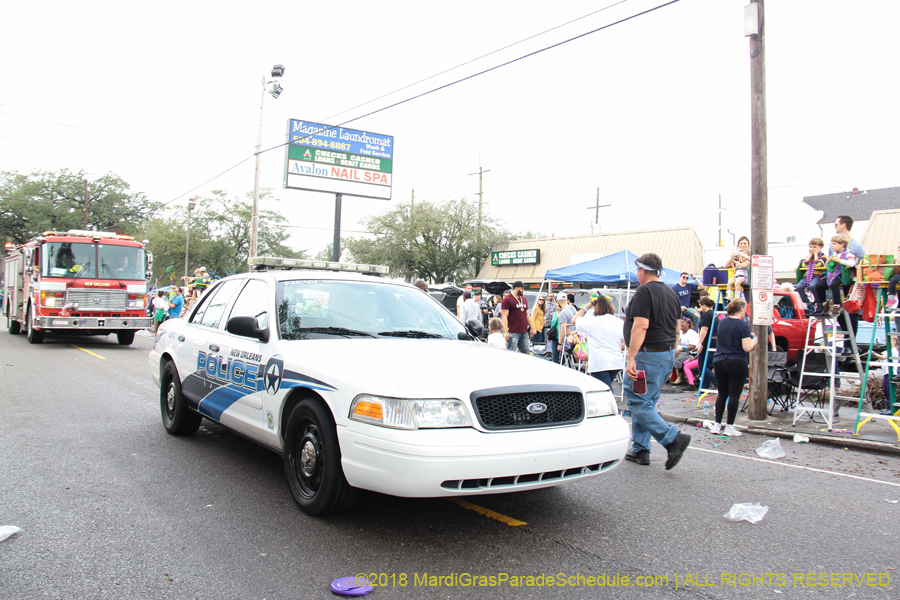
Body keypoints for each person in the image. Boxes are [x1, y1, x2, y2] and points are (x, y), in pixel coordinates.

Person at [623, 253, 691, 470]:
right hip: (666, 352)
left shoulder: (644, 291)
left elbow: (641, 326)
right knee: (647, 401)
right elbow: (677, 327)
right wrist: (672, 351)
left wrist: (631, 357)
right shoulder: (671, 292)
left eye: (637, 271)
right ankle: (641, 449)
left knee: (636, 400)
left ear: (642, 270)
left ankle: (672, 439)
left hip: (647, 354)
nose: (637, 274)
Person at [710, 298, 757, 436]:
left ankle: (717, 425)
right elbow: (746, 347)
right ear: (741, 309)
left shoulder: (722, 322)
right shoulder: (743, 325)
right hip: (736, 361)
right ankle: (730, 426)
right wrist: (754, 341)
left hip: (719, 360)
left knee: (722, 394)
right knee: (734, 395)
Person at [571, 295, 625, 387]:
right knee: (606, 386)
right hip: (616, 361)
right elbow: (624, 342)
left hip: (599, 361)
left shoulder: (591, 321)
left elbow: (574, 321)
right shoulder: (619, 321)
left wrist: (587, 306)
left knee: (604, 388)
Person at [683, 297, 718, 392]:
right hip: (714, 342)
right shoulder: (715, 314)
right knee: (707, 366)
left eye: (700, 306)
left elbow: (704, 329)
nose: (700, 308)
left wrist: (700, 343)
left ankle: (718, 384)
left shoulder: (706, 314)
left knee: (702, 367)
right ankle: (704, 387)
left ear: (704, 305)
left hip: (707, 342)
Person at [501, 281, 533, 353]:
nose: (523, 290)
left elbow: (527, 314)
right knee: (512, 352)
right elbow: (504, 316)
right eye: (522, 288)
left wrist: (532, 328)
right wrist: (506, 332)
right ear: (516, 288)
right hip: (513, 332)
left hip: (524, 331)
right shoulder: (507, 299)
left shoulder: (524, 299)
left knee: (526, 352)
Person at [796, 238, 826, 314]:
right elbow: (804, 265)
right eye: (811, 247)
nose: (813, 249)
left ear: (820, 247)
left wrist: (816, 255)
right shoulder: (809, 257)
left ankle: (818, 303)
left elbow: (819, 264)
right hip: (808, 275)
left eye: (815, 247)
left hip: (817, 275)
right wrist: (809, 256)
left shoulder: (823, 256)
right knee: (799, 287)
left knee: (813, 286)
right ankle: (808, 303)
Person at [672, 318, 699, 384]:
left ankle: (680, 377)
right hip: (678, 352)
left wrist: (680, 350)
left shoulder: (692, 333)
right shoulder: (679, 333)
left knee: (677, 357)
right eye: (680, 322)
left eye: (683, 322)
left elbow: (692, 346)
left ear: (688, 324)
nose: (681, 324)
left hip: (689, 353)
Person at [725, 236, 751, 300]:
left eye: (745, 243)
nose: (743, 245)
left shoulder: (750, 254)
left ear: (748, 245)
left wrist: (744, 256)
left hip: (747, 281)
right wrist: (732, 258)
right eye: (741, 243)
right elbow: (727, 265)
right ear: (738, 245)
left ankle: (737, 297)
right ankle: (730, 296)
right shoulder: (736, 256)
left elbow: (754, 261)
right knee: (730, 282)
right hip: (738, 276)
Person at [557, 294, 578, 362]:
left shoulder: (563, 313)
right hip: (575, 339)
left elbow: (563, 330)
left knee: (565, 362)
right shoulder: (573, 308)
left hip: (566, 343)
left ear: (558, 301)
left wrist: (560, 344)